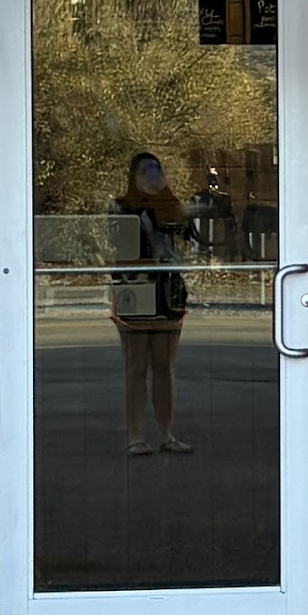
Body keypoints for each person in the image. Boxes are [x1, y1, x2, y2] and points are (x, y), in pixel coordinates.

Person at [112, 151, 194, 455]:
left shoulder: (171, 206)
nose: (153, 175)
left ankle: (166, 433)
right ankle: (135, 435)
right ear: (134, 175)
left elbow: (186, 240)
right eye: (146, 170)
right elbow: (122, 244)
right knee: (135, 366)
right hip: (135, 288)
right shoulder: (122, 206)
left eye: (157, 169)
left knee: (164, 365)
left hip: (167, 290)